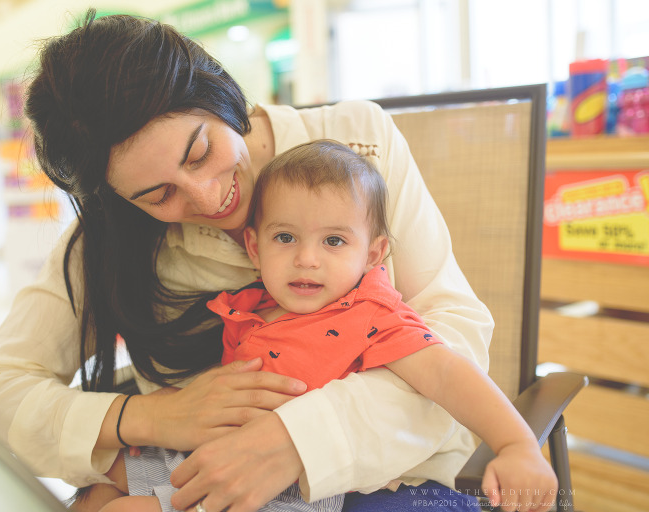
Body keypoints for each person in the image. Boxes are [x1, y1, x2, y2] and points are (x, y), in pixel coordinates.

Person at [0, 10, 501, 512]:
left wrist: (297, 440)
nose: (207, 196)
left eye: (200, 152)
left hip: (387, 473)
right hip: (205, 474)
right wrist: (152, 416)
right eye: (157, 195)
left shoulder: (358, 147)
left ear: (218, 93)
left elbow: (454, 329)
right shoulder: (113, 235)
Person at [85, 141, 557, 512]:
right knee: (97, 488)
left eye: (334, 240)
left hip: (286, 488)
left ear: (372, 255)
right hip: (211, 450)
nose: (306, 259)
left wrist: (516, 445)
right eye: (285, 237)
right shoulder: (253, 305)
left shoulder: (370, 315)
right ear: (254, 247)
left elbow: (447, 374)